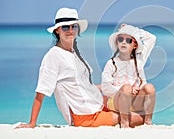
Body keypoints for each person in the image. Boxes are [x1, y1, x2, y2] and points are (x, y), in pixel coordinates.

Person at [16, 8, 144, 128]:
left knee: (138, 107)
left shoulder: (74, 53)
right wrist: (32, 123)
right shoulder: (53, 56)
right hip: (85, 116)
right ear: (57, 30)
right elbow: (41, 91)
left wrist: (112, 88)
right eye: (65, 27)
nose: (70, 30)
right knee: (139, 119)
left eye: (74, 26)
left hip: (97, 105)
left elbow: (83, 84)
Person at [101, 24, 156, 128]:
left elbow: (152, 38)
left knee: (150, 88)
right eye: (120, 39)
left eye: (128, 40)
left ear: (135, 45)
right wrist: (123, 90)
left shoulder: (139, 60)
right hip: (116, 101)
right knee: (126, 88)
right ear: (117, 42)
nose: (124, 42)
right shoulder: (112, 63)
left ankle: (148, 122)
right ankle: (124, 122)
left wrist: (133, 30)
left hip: (134, 101)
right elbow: (105, 88)